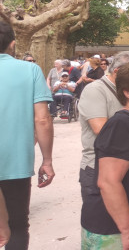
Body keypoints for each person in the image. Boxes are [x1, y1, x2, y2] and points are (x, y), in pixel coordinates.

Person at [81, 60, 129, 249]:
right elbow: (108, 182)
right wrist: (128, 230)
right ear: (128, 92)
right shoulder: (121, 125)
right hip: (114, 229)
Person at [0, 17, 54, 250]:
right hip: (16, 163)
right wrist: (48, 160)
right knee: (18, 226)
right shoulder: (30, 70)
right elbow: (42, 119)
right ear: (12, 44)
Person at [78, 52, 129, 205]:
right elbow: (101, 130)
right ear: (118, 72)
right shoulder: (95, 90)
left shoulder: (128, 91)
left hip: (127, 167)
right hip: (97, 168)